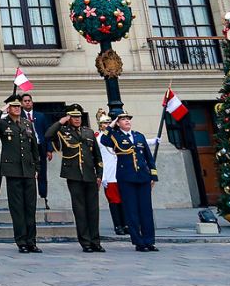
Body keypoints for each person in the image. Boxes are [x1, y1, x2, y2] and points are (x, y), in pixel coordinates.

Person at [0, 94, 41, 252]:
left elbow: (34, 147)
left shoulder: (26, 123)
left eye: (18, 106)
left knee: (30, 207)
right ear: (9, 108)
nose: (17, 108)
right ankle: (21, 241)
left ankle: (31, 241)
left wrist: (37, 167)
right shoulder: (3, 123)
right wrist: (1, 110)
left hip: (28, 170)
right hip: (13, 171)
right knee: (17, 208)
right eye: (13, 106)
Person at [102, 111, 161, 252]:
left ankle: (149, 241)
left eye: (128, 119)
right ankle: (139, 242)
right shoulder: (115, 136)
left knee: (146, 210)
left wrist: (153, 176)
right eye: (123, 119)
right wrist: (111, 125)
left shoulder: (139, 136)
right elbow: (104, 140)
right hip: (126, 178)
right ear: (118, 123)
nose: (127, 121)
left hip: (143, 177)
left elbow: (148, 157)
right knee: (132, 211)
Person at [49, 103, 105, 253]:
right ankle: (85, 242)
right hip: (74, 175)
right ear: (69, 118)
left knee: (93, 210)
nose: (77, 119)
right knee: (80, 210)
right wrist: (61, 121)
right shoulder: (63, 131)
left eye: (79, 116)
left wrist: (99, 174)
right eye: (73, 117)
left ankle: (95, 241)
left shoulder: (88, 132)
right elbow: (48, 135)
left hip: (90, 174)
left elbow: (97, 156)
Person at [96, 108, 128, 236]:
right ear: (100, 125)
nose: (107, 125)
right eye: (105, 123)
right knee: (114, 200)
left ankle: (126, 224)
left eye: (109, 122)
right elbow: (98, 158)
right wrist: (101, 175)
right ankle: (118, 225)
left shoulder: (116, 136)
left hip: (120, 172)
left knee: (124, 199)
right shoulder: (99, 138)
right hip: (108, 174)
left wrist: (153, 141)